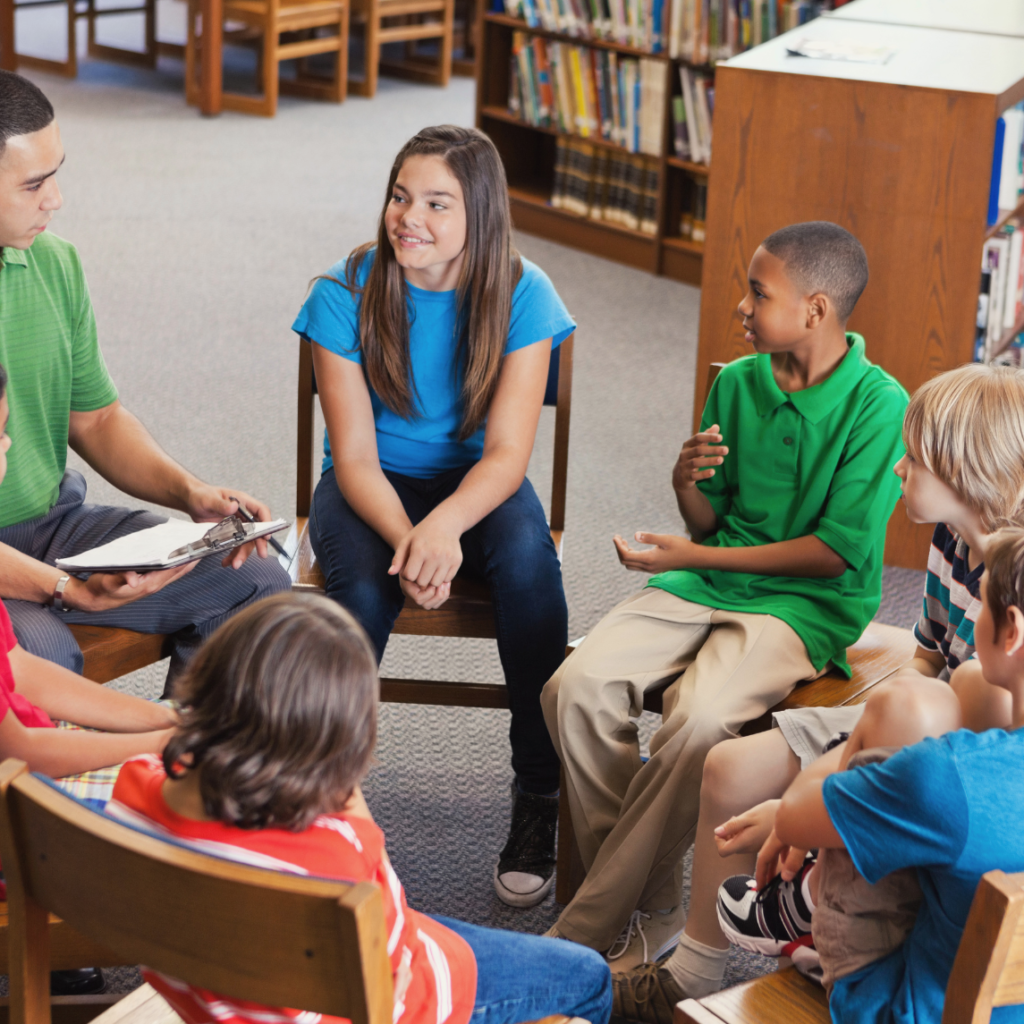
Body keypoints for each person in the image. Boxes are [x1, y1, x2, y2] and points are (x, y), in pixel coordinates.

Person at [542, 222, 908, 971]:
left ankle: (582, 931)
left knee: (702, 721)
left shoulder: (880, 404)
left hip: (803, 606)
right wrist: (686, 488)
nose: (741, 306)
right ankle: (655, 901)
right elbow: (709, 518)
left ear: (815, 310)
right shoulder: (737, 381)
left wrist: (697, 549)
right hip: (706, 579)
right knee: (572, 688)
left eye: (758, 292)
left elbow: (832, 552)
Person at [610, 362, 1024, 1023]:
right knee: (726, 767)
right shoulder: (949, 541)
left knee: (915, 711)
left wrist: (815, 794)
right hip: (908, 733)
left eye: (913, 460)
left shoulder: (1011, 586)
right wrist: (843, 745)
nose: (898, 470)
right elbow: (922, 659)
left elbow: (964, 725)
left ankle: (808, 900)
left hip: (942, 759)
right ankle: (695, 966)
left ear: (967, 471)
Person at [291, 126, 576, 908]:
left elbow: (508, 454)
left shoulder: (526, 294)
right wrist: (409, 537)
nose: (408, 216)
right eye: (399, 195)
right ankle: (324, 790)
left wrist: (446, 525)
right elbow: (351, 457)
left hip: (478, 484)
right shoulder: (342, 290)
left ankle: (539, 791)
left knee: (529, 567)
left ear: (480, 216)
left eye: (436, 204)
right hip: (372, 487)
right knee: (356, 596)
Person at [106, 593, 613, 1024]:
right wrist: (350, 802)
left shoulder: (136, 786)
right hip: (392, 996)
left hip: (217, 998)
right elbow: (394, 982)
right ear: (342, 739)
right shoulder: (337, 851)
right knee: (589, 975)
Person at [0, 70, 290, 686]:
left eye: (57, 174)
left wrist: (190, 493)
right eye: (34, 184)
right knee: (42, 655)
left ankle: (180, 772)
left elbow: (96, 418)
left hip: (52, 524)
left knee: (257, 580)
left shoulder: (55, 261)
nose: (56, 199)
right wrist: (64, 588)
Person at [721, 525, 1024, 1023]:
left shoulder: (950, 776)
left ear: (1010, 629)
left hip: (898, 1006)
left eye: (982, 602)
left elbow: (796, 816)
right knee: (959, 692)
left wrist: (852, 754)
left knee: (906, 710)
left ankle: (809, 891)